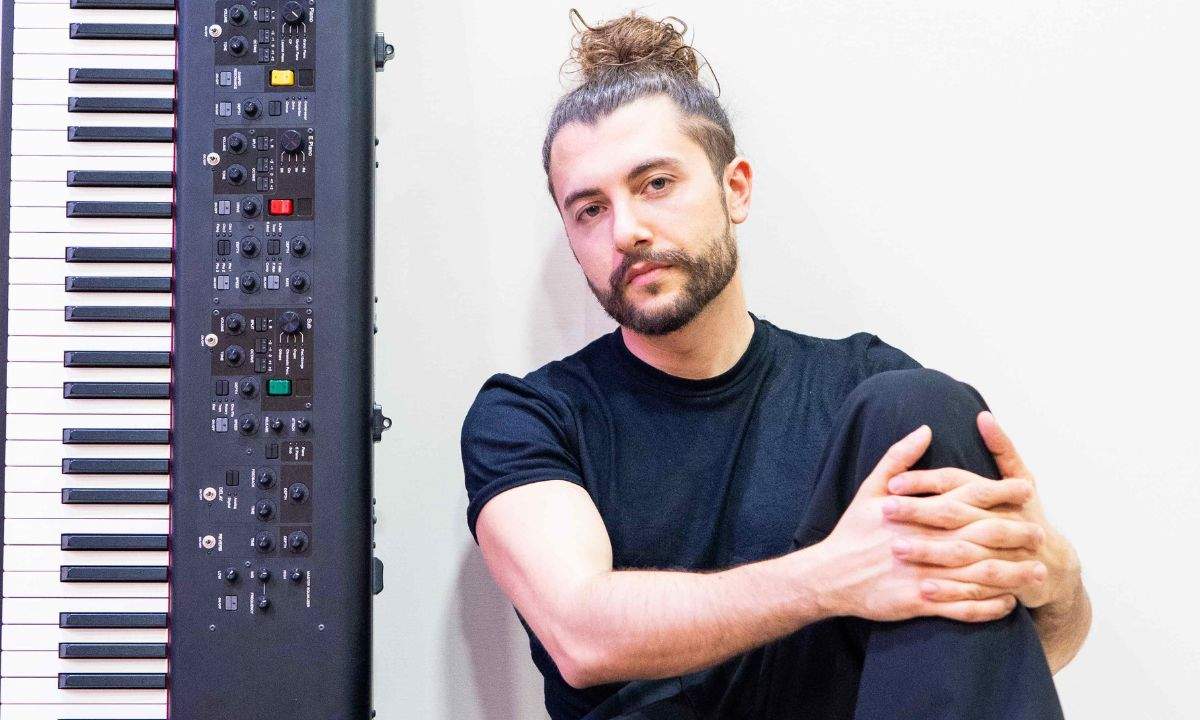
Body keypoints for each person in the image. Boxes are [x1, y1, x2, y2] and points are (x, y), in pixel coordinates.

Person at [460, 10, 1091, 719]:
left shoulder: (859, 388)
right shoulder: (531, 415)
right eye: (589, 209)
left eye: (656, 183)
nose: (626, 230)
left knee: (920, 406)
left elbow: (996, 661)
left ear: (736, 189)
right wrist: (834, 576)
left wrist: (1051, 575)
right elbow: (580, 633)